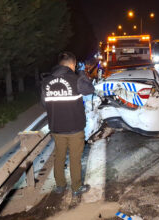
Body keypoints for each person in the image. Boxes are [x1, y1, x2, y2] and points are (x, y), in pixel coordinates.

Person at [41, 52, 94, 196]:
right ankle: (76, 188)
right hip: (74, 127)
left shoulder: (46, 81)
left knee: (59, 156)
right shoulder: (76, 79)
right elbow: (89, 89)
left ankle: (60, 186)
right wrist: (82, 72)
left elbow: (44, 103)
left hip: (56, 127)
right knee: (75, 158)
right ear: (73, 64)